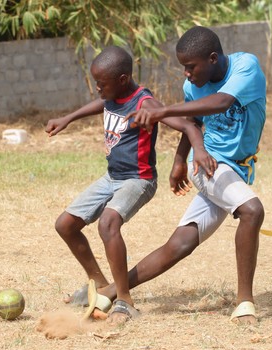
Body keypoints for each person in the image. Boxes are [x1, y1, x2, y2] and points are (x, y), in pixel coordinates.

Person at [93, 26, 266, 325]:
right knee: (252, 210)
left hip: (235, 168)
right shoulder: (192, 87)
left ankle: (109, 291)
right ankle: (245, 302)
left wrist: (162, 111)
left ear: (213, 58)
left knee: (179, 246)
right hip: (209, 163)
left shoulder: (245, 66)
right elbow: (193, 123)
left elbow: (222, 102)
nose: (186, 73)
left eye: (190, 66)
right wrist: (179, 160)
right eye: (183, 67)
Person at [45, 45, 216, 325]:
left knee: (107, 224)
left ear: (123, 79)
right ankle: (100, 286)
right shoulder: (113, 94)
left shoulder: (145, 103)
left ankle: (124, 300)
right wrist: (68, 118)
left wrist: (192, 154)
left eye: (102, 84)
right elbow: (103, 103)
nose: (98, 89)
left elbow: (189, 127)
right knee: (65, 224)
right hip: (112, 177)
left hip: (139, 179)